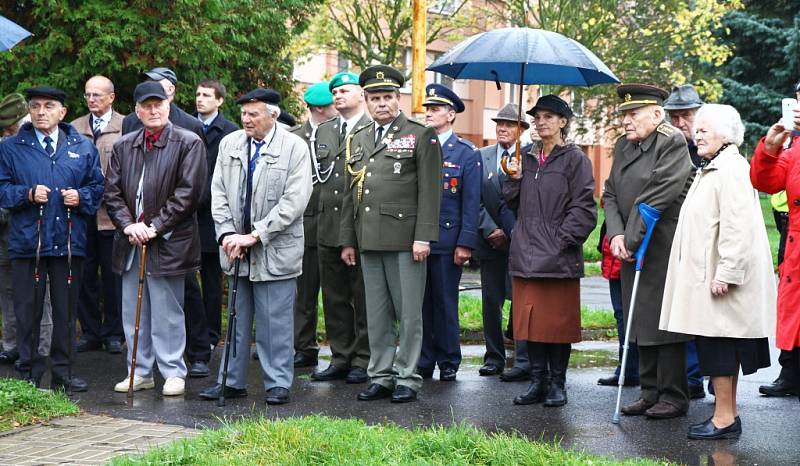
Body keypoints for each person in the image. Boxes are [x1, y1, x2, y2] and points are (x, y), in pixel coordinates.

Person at [660, 104, 775, 439]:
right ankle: (726, 415)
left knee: (721, 349)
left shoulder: (731, 169)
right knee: (717, 347)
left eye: (703, 130)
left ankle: (724, 418)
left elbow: (738, 227)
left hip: (720, 280)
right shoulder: (712, 167)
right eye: (697, 130)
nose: (696, 135)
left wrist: (727, 272)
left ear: (725, 133)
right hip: (709, 277)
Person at [200, 88, 311, 405]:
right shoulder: (230, 143)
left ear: (272, 115)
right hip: (235, 248)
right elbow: (218, 192)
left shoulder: (294, 148)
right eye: (244, 114)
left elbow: (294, 202)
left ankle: (277, 383)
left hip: (274, 250)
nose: (246, 120)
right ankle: (230, 381)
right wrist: (225, 235)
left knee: (275, 322)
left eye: (253, 114)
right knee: (235, 318)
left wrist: (256, 235)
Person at [340, 65, 442, 403]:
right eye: (375, 98)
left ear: (398, 99)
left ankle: (407, 377)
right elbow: (350, 191)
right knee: (376, 313)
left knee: (409, 313)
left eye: (388, 97)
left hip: (405, 240)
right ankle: (380, 375)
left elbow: (430, 191)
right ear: (367, 101)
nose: (381, 103)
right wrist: (348, 239)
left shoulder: (420, 133)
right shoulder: (360, 135)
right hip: (368, 238)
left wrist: (423, 236)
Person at [105, 81, 207, 396]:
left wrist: (155, 227)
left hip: (169, 242)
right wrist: (127, 226)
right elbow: (112, 193)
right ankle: (139, 371)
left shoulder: (188, 142)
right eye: (146, 105)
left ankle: (174, 371)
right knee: (132, 312)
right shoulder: (125, 145)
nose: (153, 110)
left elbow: (189, 194)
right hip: (131, 241)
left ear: (168, 105)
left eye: (157, 104)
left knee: (167, 310)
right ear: (136, 110)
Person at [0, 86, 104, 391]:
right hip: (27, 244)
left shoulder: (82, 146)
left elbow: (98, 189)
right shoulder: (11, 147)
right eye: (35, 106)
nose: (41, 111)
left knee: (65, 311)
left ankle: (64, 373)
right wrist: (27, 194)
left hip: (68, 243)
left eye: (48, 106)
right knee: (27, 310)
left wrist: (81, 197)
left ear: (63, 112)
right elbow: (2, 190)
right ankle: (30, 373)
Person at [604, 84, 694, 419]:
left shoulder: (670, 141)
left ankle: (673, 395)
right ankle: (649, 391)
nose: (626, 121)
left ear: (657, 114)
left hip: (662, 243)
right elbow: (610, 193)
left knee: (664, 321)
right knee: (638, 317)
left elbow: (658, 195)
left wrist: (628, 239)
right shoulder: (624, 146)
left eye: (633, 114)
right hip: (630, 245)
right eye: (624, 115)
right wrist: (615, 235)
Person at [504, 95, 596, 407]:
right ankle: (537, 381)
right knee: (531, 325)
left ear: (563, 122)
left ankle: (558, 383)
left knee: (556, 326)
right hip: (526, 254)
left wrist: (560, 243)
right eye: (537, 117)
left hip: (557, 257)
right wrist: (513, 179)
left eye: (548, 117)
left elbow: (584, 209)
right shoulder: (526, 158)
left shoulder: (575, 159)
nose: (541, 122)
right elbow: (513, 203)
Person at [311, 72, 371, 384]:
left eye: (345, 90)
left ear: (361, 94)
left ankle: (364, 357)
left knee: (361, 296)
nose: (338, 96)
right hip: (327, 226)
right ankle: (341, 356)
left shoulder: (372, 129)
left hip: (361, 228)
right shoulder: (324, 131)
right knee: (333, 297)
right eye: (335, 91)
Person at [417, 84, 480, 382]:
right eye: (427, 108)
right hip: (417, 239)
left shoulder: (466, 153)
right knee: (420, 304)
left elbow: (471, 202)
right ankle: (424, 359)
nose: (428, 112)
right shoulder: (417, 144)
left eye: (436, 108)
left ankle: (449, 360)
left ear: (451, 114)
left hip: (447, 239)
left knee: (444, 303)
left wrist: (465, 242)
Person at [750, 90, 800, 405]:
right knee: (793, 308)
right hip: (795, 239)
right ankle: (790, 373)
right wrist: (771, 145)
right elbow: (765, 181)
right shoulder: (793, 146)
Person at [474, 104, 530, 382]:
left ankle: (523, 358)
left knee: (522, 302)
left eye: (509, 124)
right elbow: (473, 198)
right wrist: (489, 229)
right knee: (491, 302)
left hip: (521, 242)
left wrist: (512, 231)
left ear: (522, 129)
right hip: (489, 241)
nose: (502, 128)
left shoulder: (531, 158)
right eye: (499, 123)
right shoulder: (480, 156)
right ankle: (493, 357)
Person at [71, 75, 125, 355]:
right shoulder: (74, 127)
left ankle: (114, 332)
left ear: (111, 98)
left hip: (111, 215)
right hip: (81, 214)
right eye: (88, 95)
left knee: (113, 276)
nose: (92, 99)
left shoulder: (125, 125)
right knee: (84, 274)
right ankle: (90, 331)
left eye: (97, 95)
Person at [0, 93, 54, 367]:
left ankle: (40, 347)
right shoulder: (5, 146)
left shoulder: (35, 148)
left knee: (38, 292)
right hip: (5, 236)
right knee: (8, 291)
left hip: (26, 229)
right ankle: (12, 345)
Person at [662, 84, 706, 399]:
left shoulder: (709, 147)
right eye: (674, 117)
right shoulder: (670, 149)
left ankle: (705, 376)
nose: (680, 124)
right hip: (675, 238)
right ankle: (690, 378)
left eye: (685, 116)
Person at [291, 82, 337, 369]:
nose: (338, 108)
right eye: (333, 103)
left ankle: (341, 350)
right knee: (303, 295)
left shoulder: (342, 134)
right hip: (305, 226)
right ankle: (303, 347)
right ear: (320, 107)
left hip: (333, 224)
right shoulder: (295, 138)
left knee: (336, 295)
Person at [195, 79, 238, 348]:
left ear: (220, 100)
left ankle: (211, 334)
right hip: (186, 216)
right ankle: (192, 333)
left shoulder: (231, 132)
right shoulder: (186, 126)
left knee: (211, 280)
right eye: (198, 94)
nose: (200, 99)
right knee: (187, 280)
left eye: (207, 95)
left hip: (213, 217)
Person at [596, 210, 640, 388]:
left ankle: (631, 369)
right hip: (614, 254)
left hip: (627, 254)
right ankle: (626, 369)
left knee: (630, 316)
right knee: (622, 316)